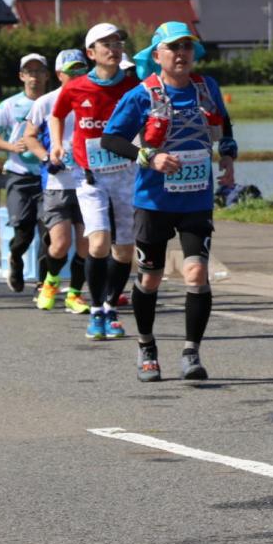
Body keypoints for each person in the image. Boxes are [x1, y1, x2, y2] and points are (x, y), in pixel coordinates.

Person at [103, 21, 237, 382]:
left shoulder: (206, 87)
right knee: (150, 279)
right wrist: (150, 157)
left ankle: (191, 352)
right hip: (153, 201)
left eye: (187, 48)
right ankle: (146, 345)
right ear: (157, 55)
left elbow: (223, 124)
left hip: (196, 200)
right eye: (173, 48)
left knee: (196, 274)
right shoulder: (142, 94)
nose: (181, 54)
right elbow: (111, 140)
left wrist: (227, 158)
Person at [50, 23, 139, 341]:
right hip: (90, 178)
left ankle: (111, 306)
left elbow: (151, 116)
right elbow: (57, 114)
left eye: (118, 43)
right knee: (99, 243)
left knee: (125, 251)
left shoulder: (133, 86)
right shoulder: (75, 87)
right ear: (91, 53)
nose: (114, 48)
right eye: (106, 43)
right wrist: (57, 144)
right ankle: (97, 309)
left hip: (126, 176)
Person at [23, 49, 93, 314]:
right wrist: (45, 158)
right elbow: (29, 136)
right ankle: (50, 283)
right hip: (57, 184)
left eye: (81, 70)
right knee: (60, 243)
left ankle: (75, 294)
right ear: (59, 74)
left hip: (88, 182)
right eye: (70, 70)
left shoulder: (95, 97)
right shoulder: (46, 102)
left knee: (87, 245)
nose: (76, 75)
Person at [0, 53, 50, 293]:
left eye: (39, 71)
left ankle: (43, 285)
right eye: (29, 72)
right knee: (23, 232)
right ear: (22, 76)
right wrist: (12, 146)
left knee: (48, 232)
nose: (34, 76)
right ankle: (15, 259)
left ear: (46, 75)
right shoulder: (10, 105)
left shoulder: (54, 101)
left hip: (48, 175)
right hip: (19, 175)